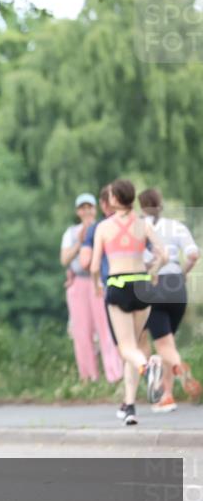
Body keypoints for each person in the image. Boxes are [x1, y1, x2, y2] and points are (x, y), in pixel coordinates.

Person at [90, 179, 167, 425]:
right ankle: (129, 406)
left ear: (114, 199)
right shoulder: (143, 224)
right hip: (143, 285)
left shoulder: (103, 227)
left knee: (127, 349)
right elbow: (163, 254)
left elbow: (93, 266)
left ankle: (148, 367)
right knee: (132, 348)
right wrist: (153, 270)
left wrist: (97, 285)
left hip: (118, 285)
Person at [137, 188, 200, 412]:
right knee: (167, 341)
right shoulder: (177, 226)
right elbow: (194, 254)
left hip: (154, 285)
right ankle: (168, 395)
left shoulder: (141, 228)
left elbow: (139, 262)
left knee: (162, 344)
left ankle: (182, 371)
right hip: (177, 287)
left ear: (142, 206)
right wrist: (182, 273)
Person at [60, 193, 124, 383]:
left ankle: (115, 375)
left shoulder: (104, 228)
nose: (86, 211)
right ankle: (88, 377)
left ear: (95, 209)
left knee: (106, 329)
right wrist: (80, 241)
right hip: (79, 281)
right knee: (82, 332)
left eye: (90, 207)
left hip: (100, 281)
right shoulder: (71, 233)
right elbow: (64, 260)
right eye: (83, 208)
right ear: (78, 211)